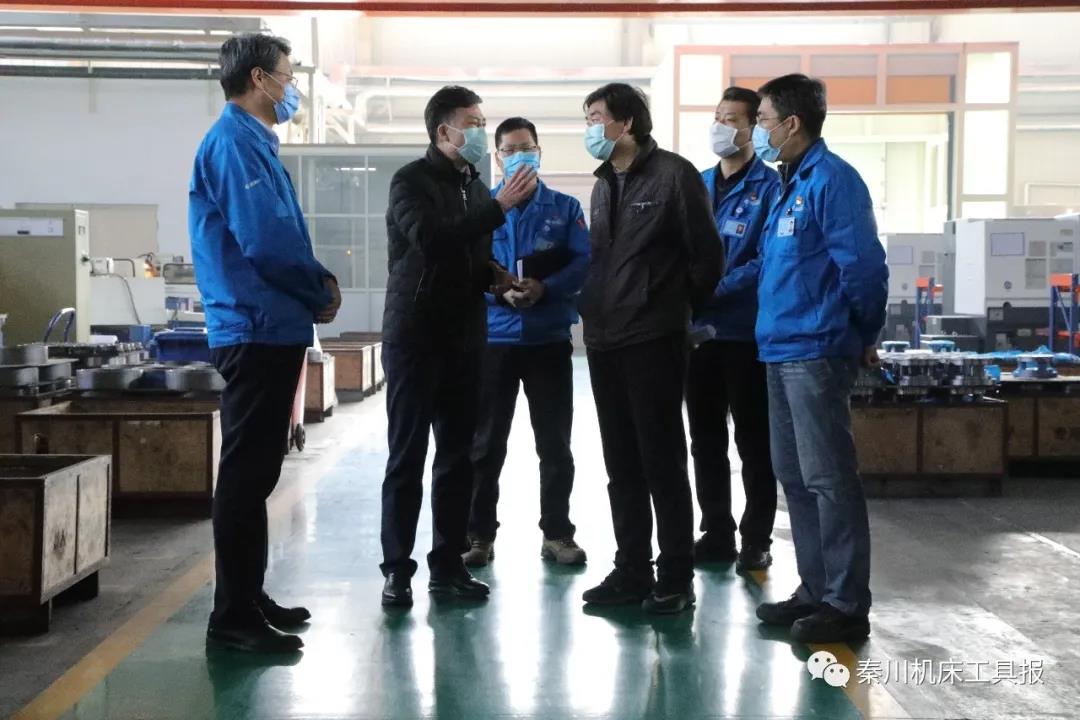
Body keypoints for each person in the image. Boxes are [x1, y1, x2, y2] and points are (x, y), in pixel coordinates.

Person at [189, 33, 341, 653]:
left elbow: (278, 233)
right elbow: (267, 241)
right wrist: (317, 287)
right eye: (287, 75)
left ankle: (249, 596)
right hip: (253, 326)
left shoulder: (254, 141)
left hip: (270, 324)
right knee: (246, 476)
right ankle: (232, 617)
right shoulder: (233, 143)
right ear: (259, 78)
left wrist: (309, 288)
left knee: (257, 474)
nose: (292, 86)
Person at [380, 86, 536, 608]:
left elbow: (466, 254)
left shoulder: (475, 186)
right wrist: (499, 207)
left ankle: (447, 566)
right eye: (473, 122)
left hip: (465, 338)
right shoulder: (410, 181)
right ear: (444, 131)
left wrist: (495, 277)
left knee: (457, 458)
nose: (480, 131)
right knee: (407, 456)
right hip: (415, 337)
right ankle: (396, 570)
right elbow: (430, 240)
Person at [750, 74, 888, 643]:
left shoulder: (833, 180)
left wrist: (863, 332)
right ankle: (815, 589)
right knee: (795, 477)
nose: (757, 130)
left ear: (791, 123)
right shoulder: (789, 184)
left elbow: (865, 268)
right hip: (779, 348)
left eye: (762, 120)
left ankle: (845, 603)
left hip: (816, 350)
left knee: (829, 479)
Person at [578, 83, 724, 615]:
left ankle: (676, 577)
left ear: (627, 123)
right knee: (621, 464)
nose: (591, 128)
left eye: (597, 117)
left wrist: (672, 309)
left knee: (661, 460)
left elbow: (708, 256)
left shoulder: (674, 175)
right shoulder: (602, 185)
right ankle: (632, 570)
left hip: (653, 338)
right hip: (604, 338)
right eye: (588, 119)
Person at [463, 117, 591, 569]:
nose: (519, 156)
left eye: (527, 148)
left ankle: (557, 533)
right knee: (485, 445)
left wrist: (546, 288)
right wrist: (497, 293)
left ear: (539, 153)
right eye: (510, 149)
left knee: (554, 445)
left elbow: (584, 261)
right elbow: (463, 266)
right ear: (497, 157)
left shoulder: (565, 208)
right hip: (493, 341)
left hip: (547, 340)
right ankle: (478, 535)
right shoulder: (480, 208)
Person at [687, 87, 780, 572]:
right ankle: (716, 533)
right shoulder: (697, 184)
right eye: (717, 116)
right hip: (698, 335)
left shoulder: (772, 188)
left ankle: (757, 537)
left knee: (753, 441)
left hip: (745, 335)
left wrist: (713, 287)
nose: (721, 126)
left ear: (752, 128)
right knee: (705, 441)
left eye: (732, 119)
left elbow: (768, 259)